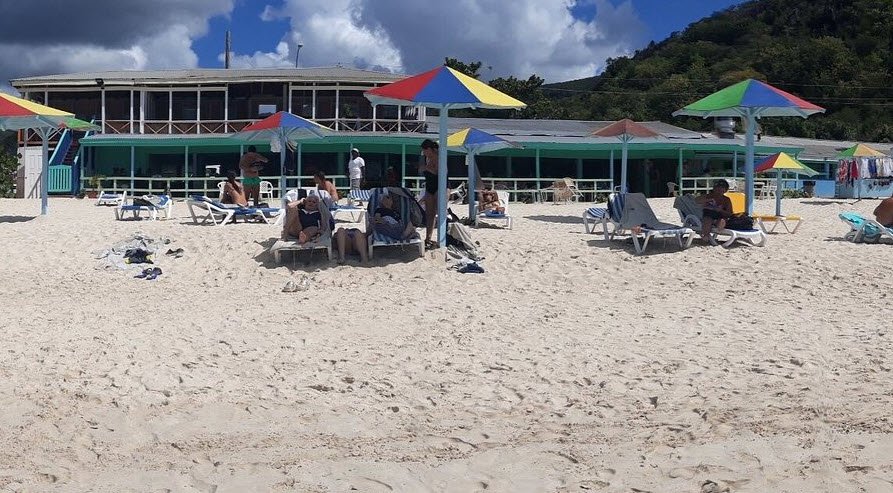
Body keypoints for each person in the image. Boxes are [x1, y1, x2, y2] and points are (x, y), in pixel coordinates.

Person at [419, 139, 439, 249]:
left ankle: (442, 238)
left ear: (430, 149)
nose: (424, 153)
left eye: (425, 150)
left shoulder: (439, 156)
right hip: (429, 186)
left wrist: (425, 168)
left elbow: (437, 171)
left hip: (440, 185)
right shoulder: (427, 158)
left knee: (439, 212)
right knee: (429, 214)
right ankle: (428, 238)